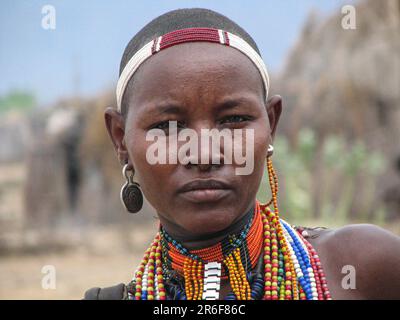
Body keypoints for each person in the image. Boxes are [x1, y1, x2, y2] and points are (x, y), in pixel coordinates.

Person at [84, 8, 400, 300]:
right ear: (120, 139)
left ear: (271, 123)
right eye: (167, 126)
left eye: (234, 119)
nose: (204, 154)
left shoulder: (364, 268)